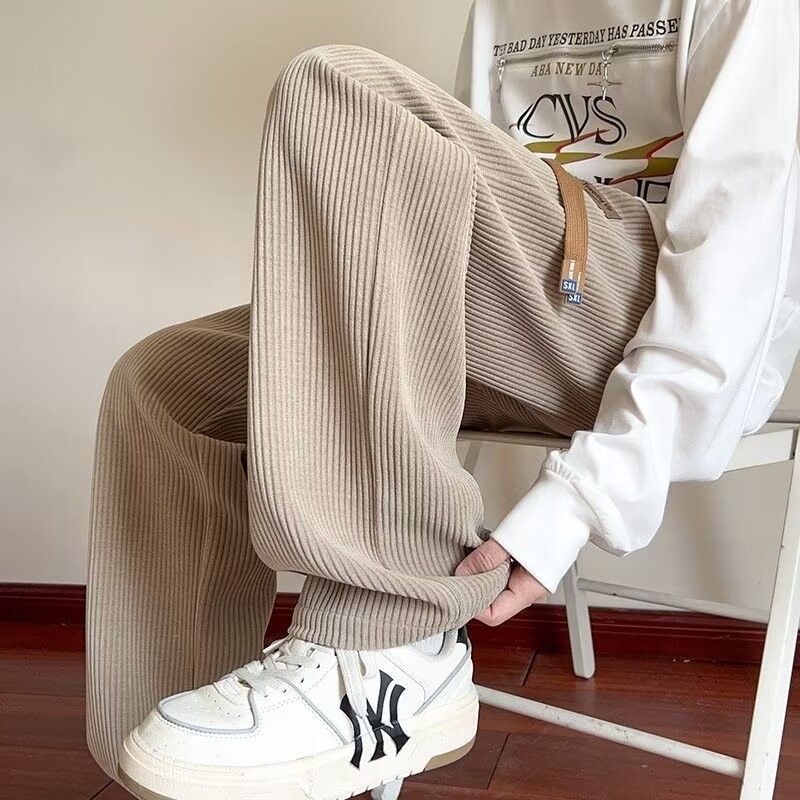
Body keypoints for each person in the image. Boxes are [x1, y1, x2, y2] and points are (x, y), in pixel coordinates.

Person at [85, 1, 800, 798]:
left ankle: (388, 647)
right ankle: (177, 759)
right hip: (521, 321)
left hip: (655, 325)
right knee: (167, 383)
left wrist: (580, 503)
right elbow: (451, 203)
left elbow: (733, 280)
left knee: (339, 89)